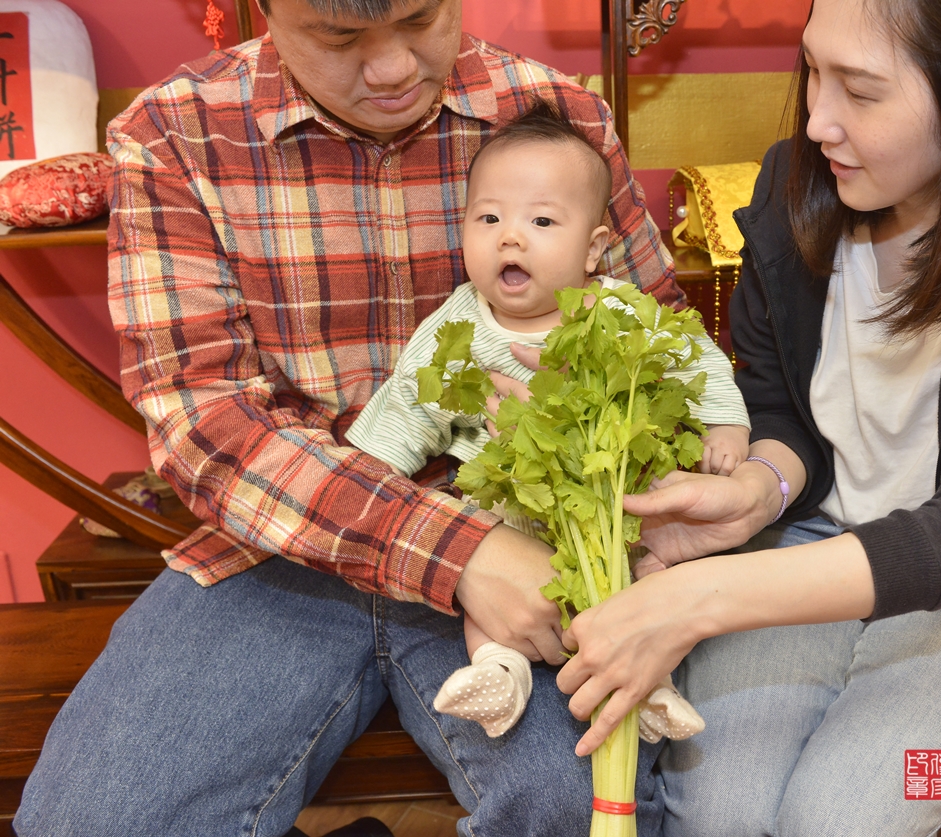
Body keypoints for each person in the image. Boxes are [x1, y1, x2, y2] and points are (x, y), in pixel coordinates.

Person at [15, 1, 685, 836]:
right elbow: (205, 424)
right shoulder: (175, 133)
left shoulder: (557, 114)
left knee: (579, 805)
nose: (394, 67)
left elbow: (658, 336)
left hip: (529, 535)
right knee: (91, 820)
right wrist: (456, 551)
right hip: (279, 548)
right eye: (339, 38)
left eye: (419, 17)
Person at [554, 0, 941, 835]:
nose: (816, 123)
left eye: (861, 91)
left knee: (833, 819)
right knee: (718, 816)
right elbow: (783, 410)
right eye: (811, 69)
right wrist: (760, 490)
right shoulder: (793, 189)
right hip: (808, 546)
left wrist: (705, 595)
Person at [345, 101, 748, 739]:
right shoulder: (455, 326)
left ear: (593, 250)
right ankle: (498, 671)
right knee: (482, 591)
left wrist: (726, 425)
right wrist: (372, 472)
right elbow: (407, 404)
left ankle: (651, 688)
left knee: (647, 582)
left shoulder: (616, 308)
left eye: (540, 220)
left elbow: (691, 355)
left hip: (611, 508)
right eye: (489, 218)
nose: (511, 236)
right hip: (505, 514)